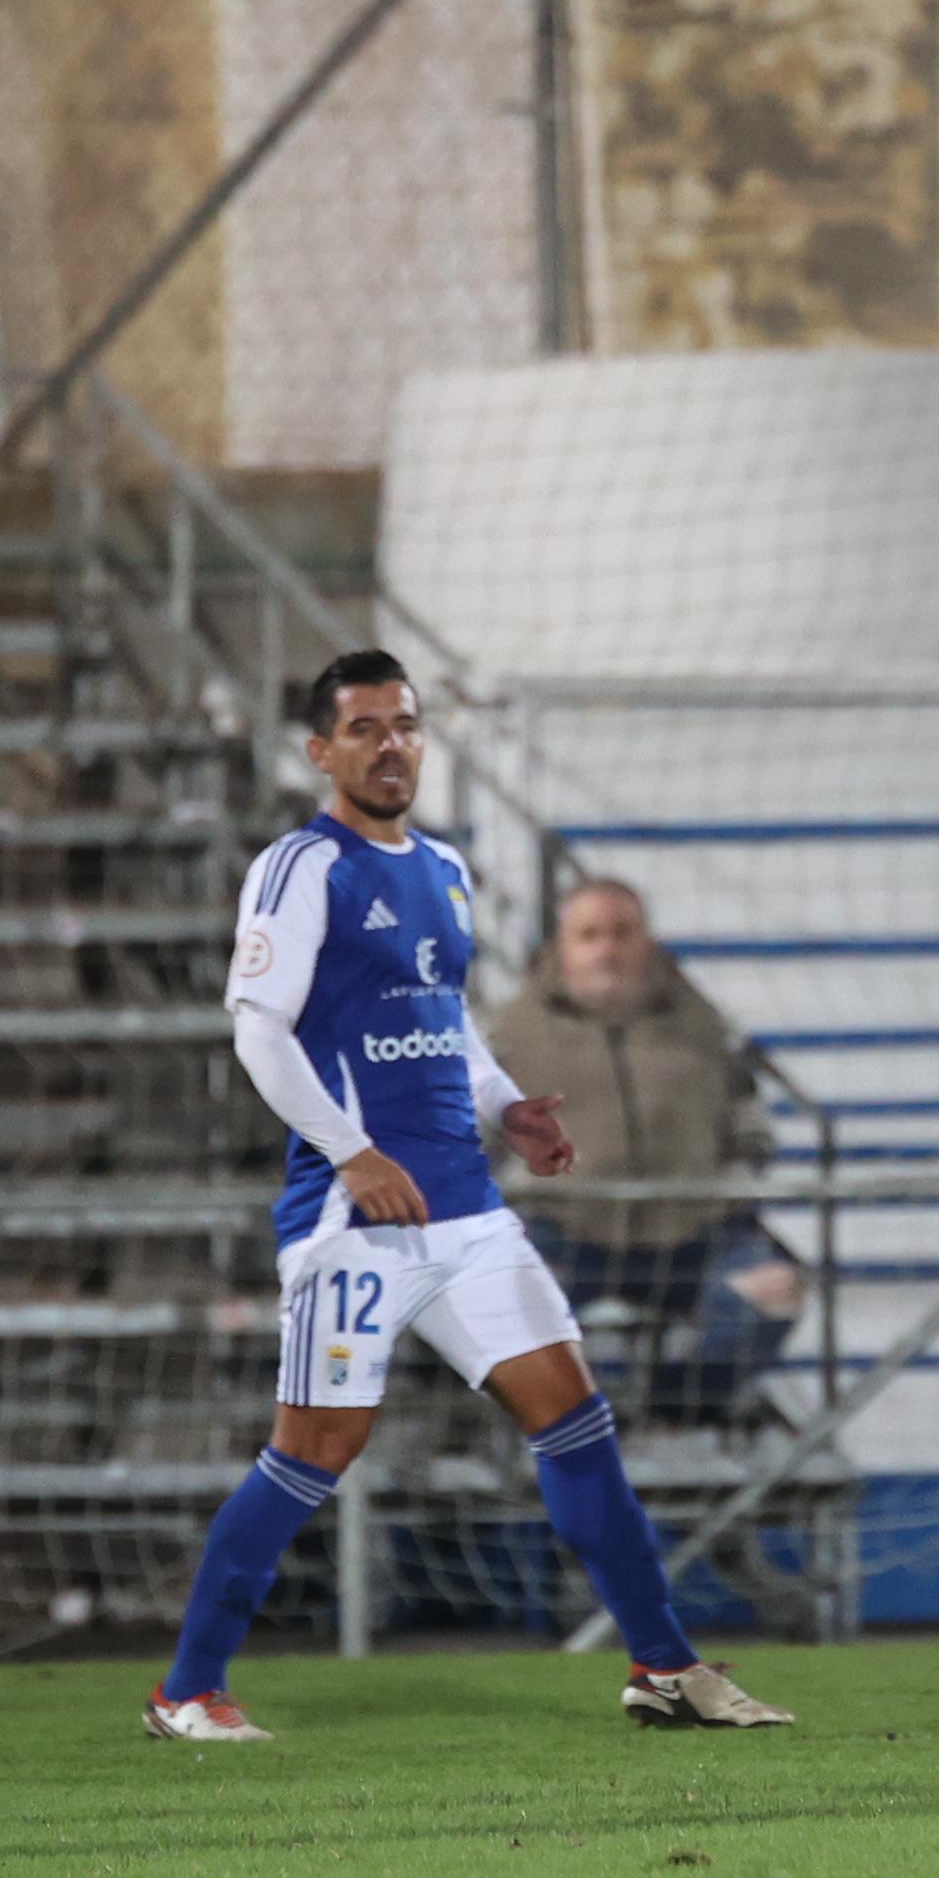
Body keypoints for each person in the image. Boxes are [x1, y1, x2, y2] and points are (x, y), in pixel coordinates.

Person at [145, 651, 788, 1741]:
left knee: (577, 1422)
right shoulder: (302, 867)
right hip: (356, 1225)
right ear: (321, 751)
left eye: (405, 725)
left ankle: (665, 1667)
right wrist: (351, 1151)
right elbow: (257, 1029)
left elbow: (443, 1029)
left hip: (469, 1215)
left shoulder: (441, 866)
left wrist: (506, 1107)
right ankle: (187, 1691)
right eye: (364, 728)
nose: (390, 744)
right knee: (313, 1453)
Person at [491, 877, 799, 1426]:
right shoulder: (513, 1032)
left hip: (693, 1234)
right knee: (494, 1298)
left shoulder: (702, 1022)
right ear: (562, 948)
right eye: (589, 936)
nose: (606, 949)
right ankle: (563, 1421)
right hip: (564, 1232)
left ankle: (677, 1405)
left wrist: (733, 1182)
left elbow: (750, 1123)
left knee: (772, 1292)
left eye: (622, 933)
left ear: (648, 942)